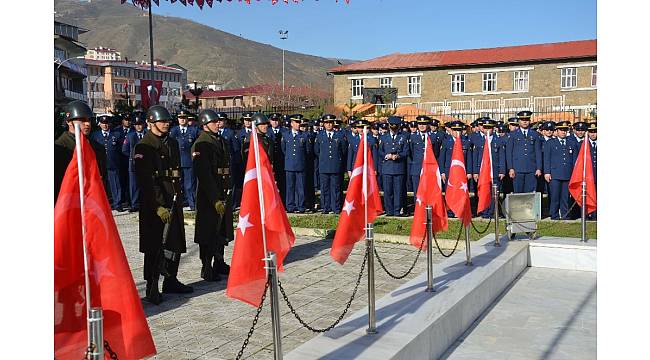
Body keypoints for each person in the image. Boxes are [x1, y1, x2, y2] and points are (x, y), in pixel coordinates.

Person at [134, 105, 193, 305]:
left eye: (168, 121)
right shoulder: (144, 146)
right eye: (162, 121)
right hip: (154, 204)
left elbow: (176, 173)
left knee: (174, 241)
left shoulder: (172, 143)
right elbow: (146, 180)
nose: (167, 124)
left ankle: (171, 279)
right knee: (154, 245)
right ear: (151, 123)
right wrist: (158, 205)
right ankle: (152, 285)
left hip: (173, 198)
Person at [192, 109, 233, 282]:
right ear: (205, 124)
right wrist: (214, 199)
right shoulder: (201, 143)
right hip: (209, 195)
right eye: (215, 121)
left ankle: (219, 261)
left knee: (221, 229)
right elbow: (204, 174)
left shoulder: (220, 140)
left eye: (219, 121)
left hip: (222, 190)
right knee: (208, 231)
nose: (218, 123)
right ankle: (206, 265)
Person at [55, 100, 107, 202]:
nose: (87, 124)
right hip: (69, 201)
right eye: (82, 120)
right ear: (69, 122)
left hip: (91, 201)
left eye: (88, 120)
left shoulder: (96, 147)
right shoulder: (60, 147)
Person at [90, 113, 125, 212]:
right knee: (101, 185)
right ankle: (103, 204)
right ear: (99, 124)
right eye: (103, 123)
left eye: (107, 123)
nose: (105, 125)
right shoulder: (95, 135)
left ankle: (117, 203)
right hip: (100, 165)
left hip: (113, 163)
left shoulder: (116, 134)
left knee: (115, 184)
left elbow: (120, 150)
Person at [472, 119, 505, 218]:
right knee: (484, 192)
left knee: (494, 193)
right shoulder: (479, 141)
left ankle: (492, 212)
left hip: (494, 171)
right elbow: (475, 157)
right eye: (485, 128)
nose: (487, 130)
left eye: (489, 128)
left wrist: (502, 170)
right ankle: (484, 211)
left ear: (493, 128)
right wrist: (475, 172)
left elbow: (501, 156)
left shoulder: (498, 140)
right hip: (482, 172)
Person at [543, 121, 576, 220]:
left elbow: (574, 160)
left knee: (565, 196)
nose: (563, 132)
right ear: (556, 131)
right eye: (561, 130)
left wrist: (574, 173)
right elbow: (547, 158)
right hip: (555, 174)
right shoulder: (550, 143)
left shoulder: (571, 143)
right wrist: (547, 172)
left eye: (565, 130)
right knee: (555, 196)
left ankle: (565, 214)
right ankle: (554, 214)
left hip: (567, 173)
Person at [315, 114, 347, 214]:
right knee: (325, 189)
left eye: (330, 123)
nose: (329, 125)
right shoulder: (320, 135)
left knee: (336, 188)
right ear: (324, 124)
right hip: (324, 166)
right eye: (327, 123)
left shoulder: (340, 136)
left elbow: (343, 150)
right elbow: (317, 150)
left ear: (333, 123)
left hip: (335, 166)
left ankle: (336, 207)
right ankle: (326, 207)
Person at [379, 116, 409, 216]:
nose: (394, 127)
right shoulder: (383, 137)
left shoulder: (404, 137)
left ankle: (397, 211)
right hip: (387, 168)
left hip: (399, 168)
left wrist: (398, 156)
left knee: (398, 191)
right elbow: (380, 151)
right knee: (387, 191)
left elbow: (406, 151)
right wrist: (386, 156)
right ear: (389, 126)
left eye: (396, 126)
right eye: (392, 126)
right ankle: (389, 211)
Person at [506, 110, 542, 193]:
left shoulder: (535, 134)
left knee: (530, 194)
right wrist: (511, 168)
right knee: (518, 194)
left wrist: (539, 168)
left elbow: (538, 152)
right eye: (523, 120)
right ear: (519, 121)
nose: (525, 122)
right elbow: (509, 153)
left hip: (531, 169)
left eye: (527, 119)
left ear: (529, 121)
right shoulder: (513, 135)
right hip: (517, 169)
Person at [170, 110, 199, 211]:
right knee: (177, 184)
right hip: (176, 162)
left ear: (187, 119)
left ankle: (192, 204)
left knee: (190, 184)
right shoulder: (173, 131)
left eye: (184, 118)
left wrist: (196, 152)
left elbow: (199, 142)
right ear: (178, 119)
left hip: (189, 161)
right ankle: (178, 204)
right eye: (180, 118)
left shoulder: (193, 130)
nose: (182, 120)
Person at [282, 115, 310, 213]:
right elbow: (284, 149)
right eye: (296, 122)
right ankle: (290, 206)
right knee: (290, 187)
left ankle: (301, 206)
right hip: (289, 165)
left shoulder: (305, 135)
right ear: (291, 123)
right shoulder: (286, 135)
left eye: (299, 122)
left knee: (301, 187)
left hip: (301, 164)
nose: (298, 124)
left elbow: (307, 151)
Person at [121, 110, 148, 212]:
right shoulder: (130, 136)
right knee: (134, 185)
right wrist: (134, 156)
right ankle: (135, 204)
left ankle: (145, 203)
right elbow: (125, 150)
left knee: (145, 184)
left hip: (146, 163)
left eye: (140, 124)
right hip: (133, 164)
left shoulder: (147, 134)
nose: (138, 127)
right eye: (136, 125)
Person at [267, 112, 287, 205]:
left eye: (276, 120)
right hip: (270, 160)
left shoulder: (285, 131)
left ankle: (283, 202)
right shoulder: (267, 131)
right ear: (270, 121)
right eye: (273, 120)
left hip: (282, 160)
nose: (275, 122)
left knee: (282, 182)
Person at [586, 122, 597, 220]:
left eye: (595, 132)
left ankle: (595, 215)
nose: (593, 134)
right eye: (591, 132)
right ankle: (587, 214)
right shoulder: (584, 145)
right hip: (588, 175)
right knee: (588, 195)